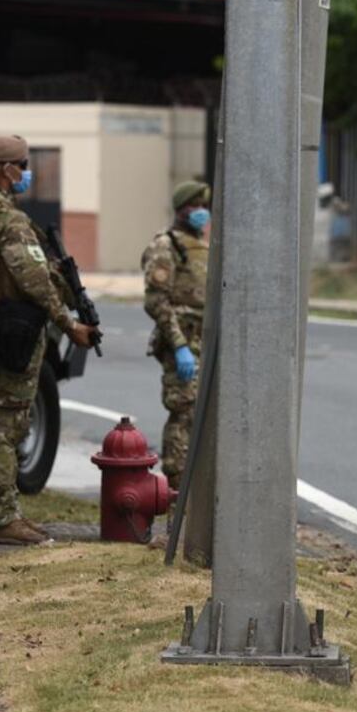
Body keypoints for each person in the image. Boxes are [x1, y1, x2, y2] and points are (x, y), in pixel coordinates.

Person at [0, 134, 97, 545]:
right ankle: (1, 519)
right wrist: (68, 323)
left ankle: (7, 514)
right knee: (7, 426)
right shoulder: (7, 219)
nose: (27, 172)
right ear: (5, 171)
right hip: (19, 325)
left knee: (13, 421)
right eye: (22, 165)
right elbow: (34, 278)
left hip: (11, 323)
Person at [141, 180, 210, 491]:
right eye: (194, 206)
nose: (201, 212)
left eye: (204, 206)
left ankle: (196, 493)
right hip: (181, 341)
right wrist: (179, 345)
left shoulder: (204, 247)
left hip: (204, 343)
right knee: (183, 413)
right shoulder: (166, 245)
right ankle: (176, 494)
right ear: (181, 210)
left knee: (202, 417)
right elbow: (156, 301)